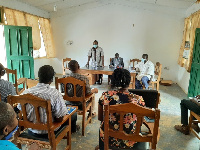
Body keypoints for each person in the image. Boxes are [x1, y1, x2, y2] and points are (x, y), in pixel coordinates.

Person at [19, 65, 78, 135]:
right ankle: (73, 130)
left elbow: (20, 109)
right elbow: (59, 119)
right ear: (51, 79)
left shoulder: (25, 93)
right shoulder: (54, 94)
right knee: (73, 114)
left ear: (39, 77)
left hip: (31, 130)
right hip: (49, 131)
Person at [96, 68, 145, 150]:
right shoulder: (138, 99)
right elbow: (140, 123)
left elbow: (100, 118)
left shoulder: (106, 96)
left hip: (109, 137)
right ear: (129, 82)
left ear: (113, 81)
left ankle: (103, 146)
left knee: (103, 126)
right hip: (131, 139)